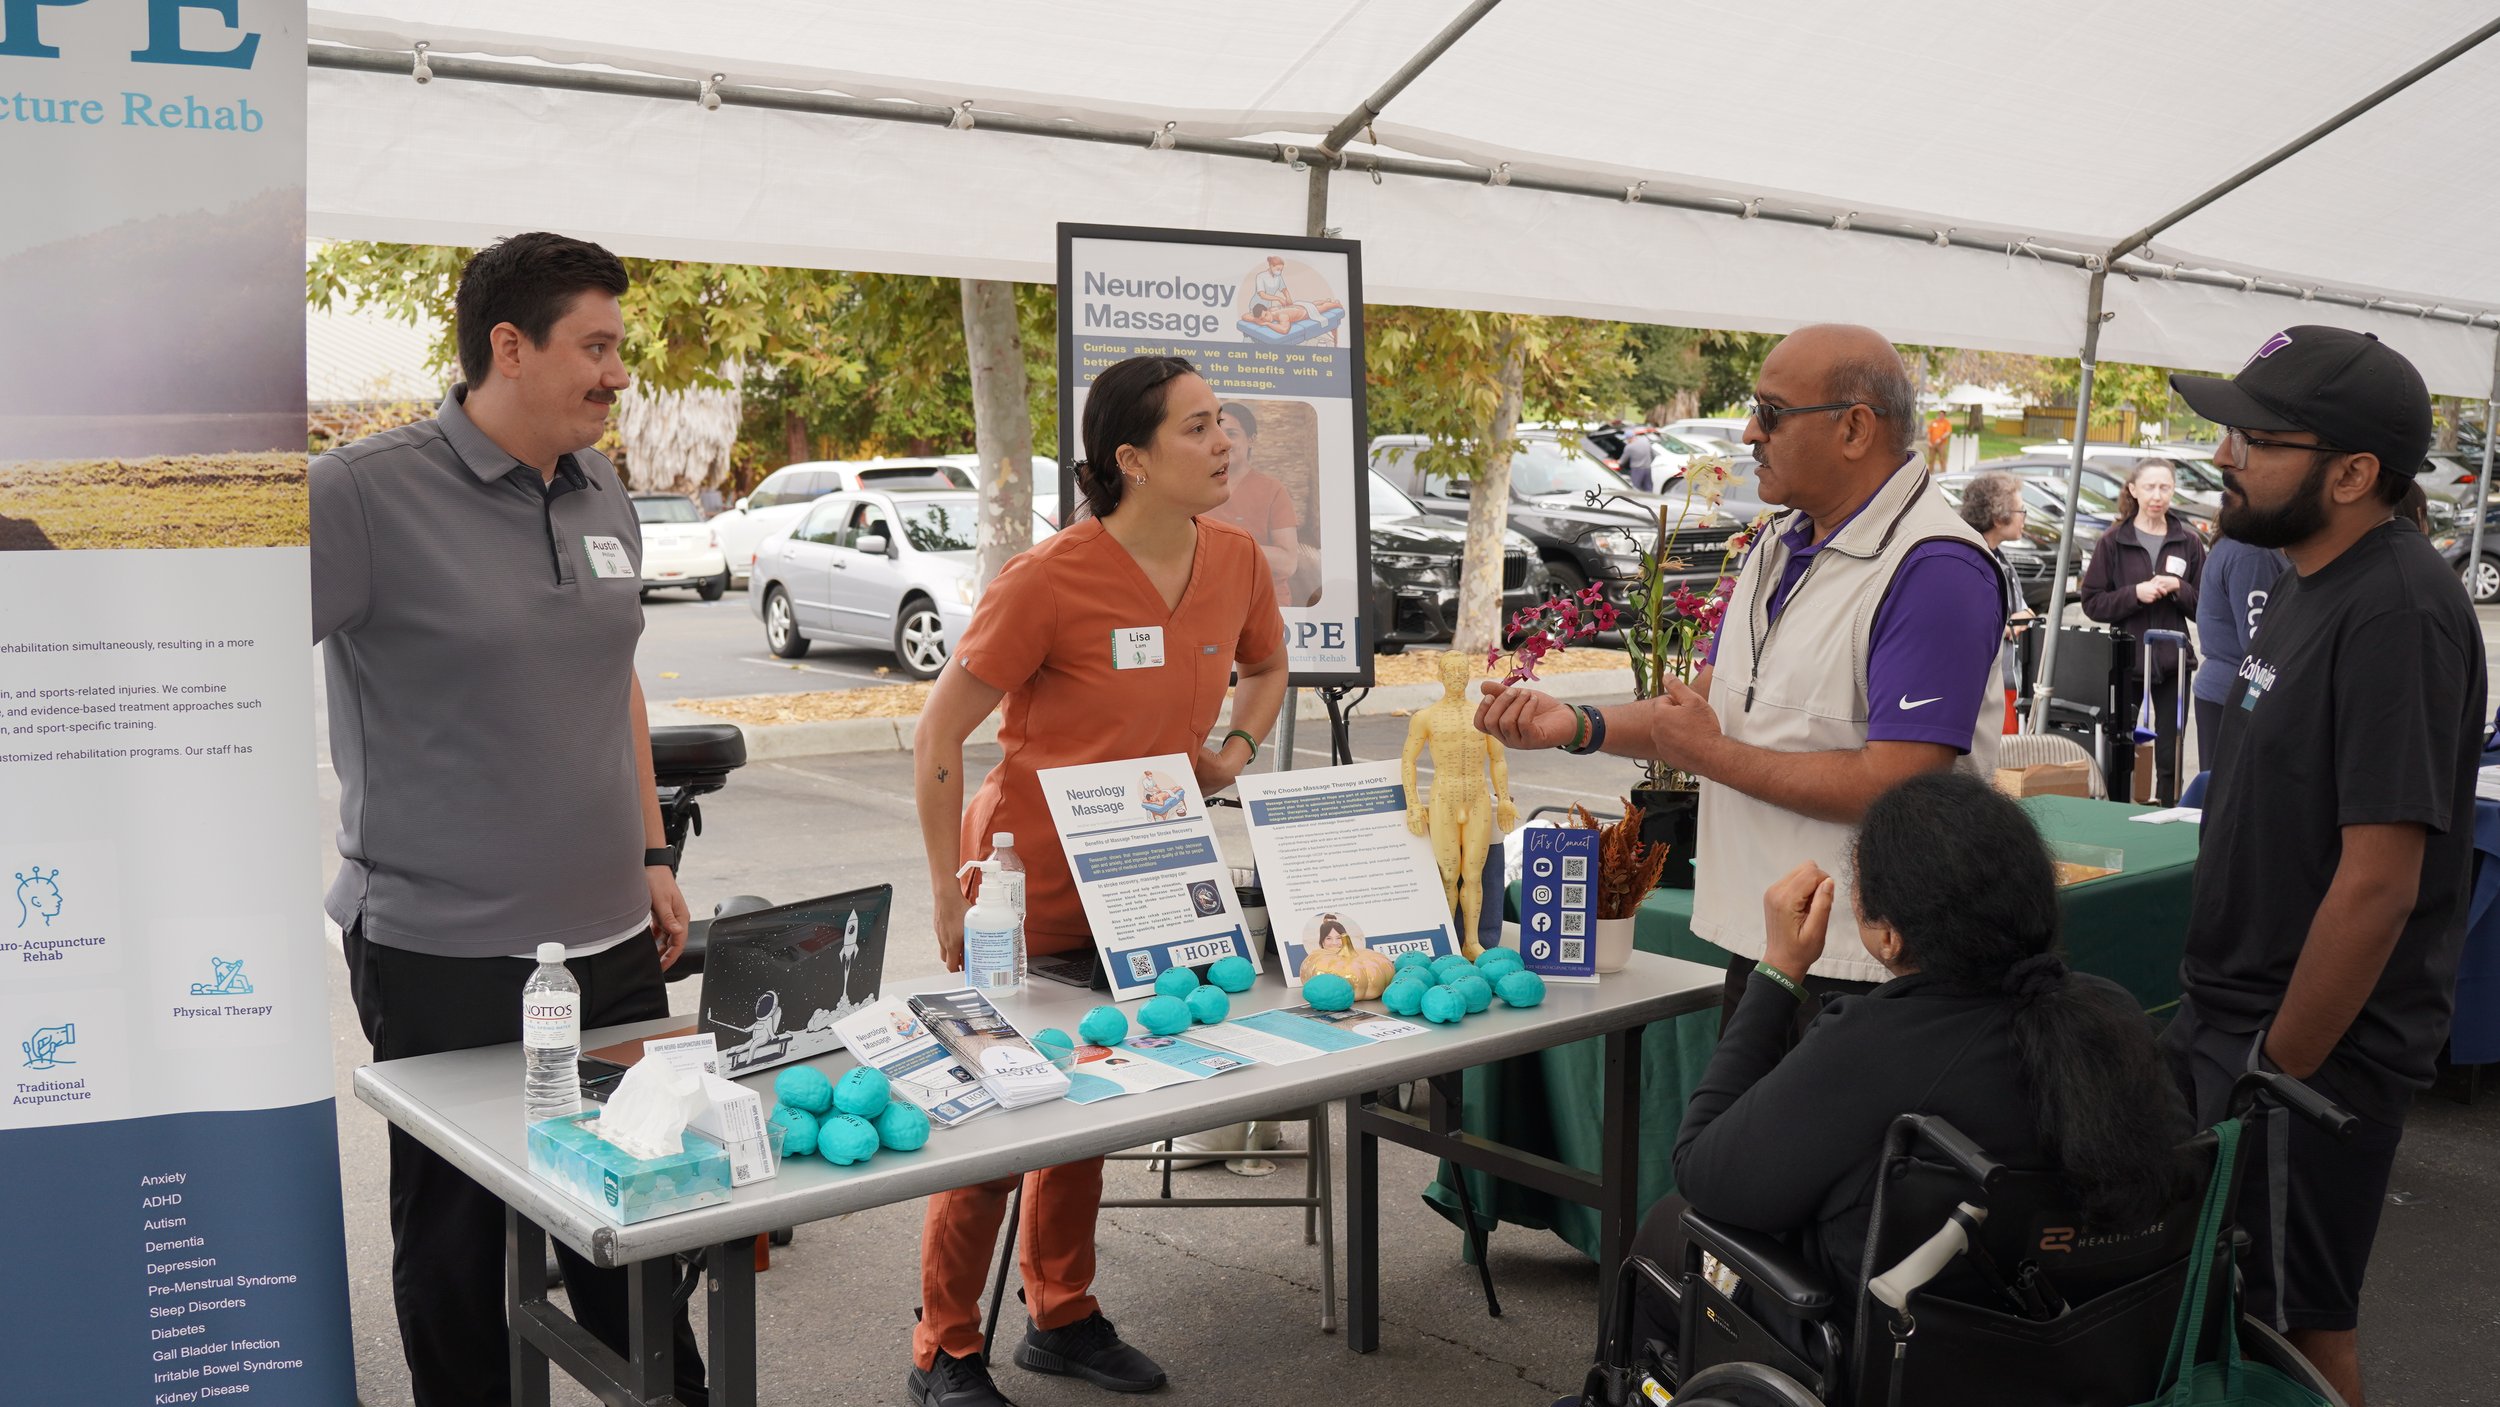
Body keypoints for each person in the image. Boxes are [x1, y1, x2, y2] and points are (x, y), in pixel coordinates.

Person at [310, 233, 708, 1405]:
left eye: (617, 350)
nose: (616, 374)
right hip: (441, 950)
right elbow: (215, 657)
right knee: (458, 1248)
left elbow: (614, 678)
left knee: (637, 1217)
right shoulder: (363, 495)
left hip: (611, 939)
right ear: (507, 346)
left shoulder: (604, 490)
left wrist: (649, 851)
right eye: (595, 347)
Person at [908, 354, 1290, 1407]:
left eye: (1224, 424)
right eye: (1199, 428)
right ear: (1130, 458)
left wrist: (1233, 753)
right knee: (997, 1123)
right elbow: (940, 734)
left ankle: (1061, 1315)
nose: (1225, 444)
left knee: (1091, 1104)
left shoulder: (1237, 561)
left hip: (1151, 885)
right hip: (1022, 898)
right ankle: (944, 1347)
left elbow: (1268, 666)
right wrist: (948, 888)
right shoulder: (1046, 580)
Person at [1475, 324, 2006, 1023]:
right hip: (1778, 954)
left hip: (1872, 974)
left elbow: (1901, 783)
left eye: (1773, 412)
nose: (1751, 432)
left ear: (1854, 429)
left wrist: (1713, 755)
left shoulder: (1934, 567)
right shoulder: (1782, 541)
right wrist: (1577, 724)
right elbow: (1716, 704)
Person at [2164, 326, 2484, 1407]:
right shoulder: (2311, 572)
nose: (2224, 458)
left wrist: (2275, 1065)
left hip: (2309, 1055)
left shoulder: (2397, 609)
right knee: (2232, 1307)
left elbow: (2381, 878)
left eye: (2256, 440)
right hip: (2240, 1020)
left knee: (2295, 1330)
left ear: (2351, 474)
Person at [1632, 774, 2185, 1359]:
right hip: (2085, 1351)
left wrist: (1776, 972)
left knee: (1670, 1226)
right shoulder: (2109, 1015)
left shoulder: (1871, 1043)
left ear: (1890, 936)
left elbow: (1704, 1172)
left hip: (1885, 1358)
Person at [2078, 458, 2205, 803]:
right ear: (2133, 490)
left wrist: (2178, 588)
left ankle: (2168, 813)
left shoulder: (2188, 542)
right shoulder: (2114, 541)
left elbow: (2205, 606)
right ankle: (2121, 813)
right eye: (2149, 487)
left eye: (2165, 487)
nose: (2157, 495)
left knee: (2170, 754)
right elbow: (2092, 602)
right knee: (2124, 751)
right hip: (2127, 664)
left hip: (2173, 664)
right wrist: (2135, 594)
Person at [2190, 526, 2290, 776]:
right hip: (2237, 694)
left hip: (2228, 693)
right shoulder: (2251, 555)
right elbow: (2259, 643)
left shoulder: (2238, 547)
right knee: (2229, 799)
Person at [1956, 471, 2035, 732]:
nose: (2024, 518)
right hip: (1981, 690)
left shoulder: (2000, 560)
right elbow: (1961, 629)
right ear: (1999, 517)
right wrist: (2011, 627)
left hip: (2005, 682)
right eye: (2021, 510)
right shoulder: (1969, 562)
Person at [1203, 400, 1303, 605]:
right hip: (1208, 602)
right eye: (1218, 434)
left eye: (1232, 434)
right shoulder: (1194, 488)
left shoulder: (1272, 490)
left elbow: (1287, 563)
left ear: (1251, 439)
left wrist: (1227, 546)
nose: (1223, 442)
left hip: (1264, 605)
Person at [1620, 403, 1673, 492]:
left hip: (1637, 470)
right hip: (1648, 469)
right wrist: (1648, 463)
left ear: (1628, 438)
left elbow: (1622, 462)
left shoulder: (1629, 447)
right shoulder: (1644, 441)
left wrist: (1617, 462)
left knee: (1636, 489)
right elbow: (1654, 455)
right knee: (1648, 489)